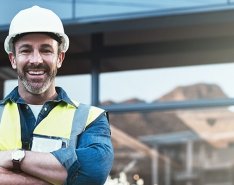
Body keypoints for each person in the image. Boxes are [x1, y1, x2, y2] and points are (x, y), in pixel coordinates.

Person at [0, 5, 114, 185]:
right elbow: (80, 176)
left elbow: (94, 172)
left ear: (59, 58)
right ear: (13, 59)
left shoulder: (90, 119)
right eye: (25, 50)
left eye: (46, 50)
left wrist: (12, 158)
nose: (36, 60)